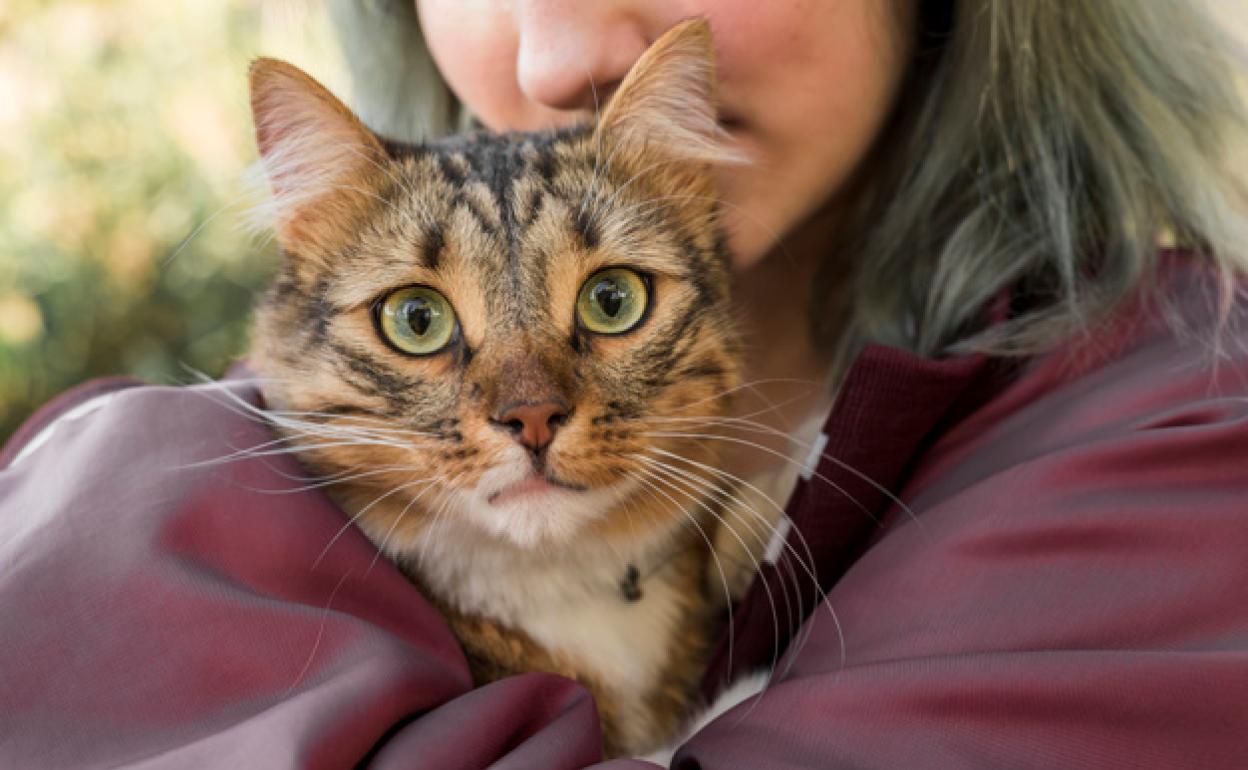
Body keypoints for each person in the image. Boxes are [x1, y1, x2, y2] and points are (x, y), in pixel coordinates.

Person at [2, 1, 1246, 768]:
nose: (555, 53)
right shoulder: (218, 477)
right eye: (420, 317)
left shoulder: (1185, 429)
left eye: (609, 300)